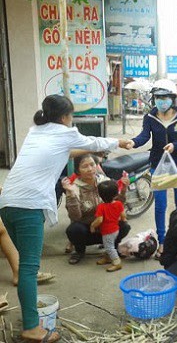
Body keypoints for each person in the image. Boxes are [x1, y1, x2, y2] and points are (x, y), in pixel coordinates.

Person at [0, 95, 132, 343]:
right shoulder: (64, 131)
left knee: (25, 267)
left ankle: (30, 308)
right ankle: (31, 327)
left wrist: (96, 148)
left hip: (7, 202)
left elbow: (72, 149)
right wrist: (120, 142)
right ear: (65, 117)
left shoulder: (36, 130)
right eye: (71, 116)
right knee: (29, 269)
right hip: (28, 204)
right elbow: (93, 140)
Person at [130, 81, 177, 258]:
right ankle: (163, 242)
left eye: (165, 97)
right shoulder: (150, 118)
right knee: (160, 205)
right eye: (158, 97)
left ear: (172, 99)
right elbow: (144, 136)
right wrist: (133, 142)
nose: (161, 101)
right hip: (158, 165)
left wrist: (175, 145)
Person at [64, 154, 131, 265]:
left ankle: (111, 248)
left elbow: (117, 204)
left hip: (107, 228)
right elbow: (75, 217)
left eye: (92, 165)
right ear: (78, 170)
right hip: (88, 230)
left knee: (124, 226)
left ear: (97, 166)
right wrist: (71, 194)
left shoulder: (105, 181)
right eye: (85, 166)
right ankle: (79, 251)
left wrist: (123, 189)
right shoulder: (74, 187)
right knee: (74, 229)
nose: (90, 169)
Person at [90, 180, 127, 272]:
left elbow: (99, 220)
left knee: (109, 247)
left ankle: (117, 262)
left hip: (107, 231)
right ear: (116, 193)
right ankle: (107, 258)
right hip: (116, 229)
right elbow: (123, 216)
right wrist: (122, 219)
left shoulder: (101, 207)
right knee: (108, 245)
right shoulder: (118, 204)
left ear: (100, 195)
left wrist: (92, 226)